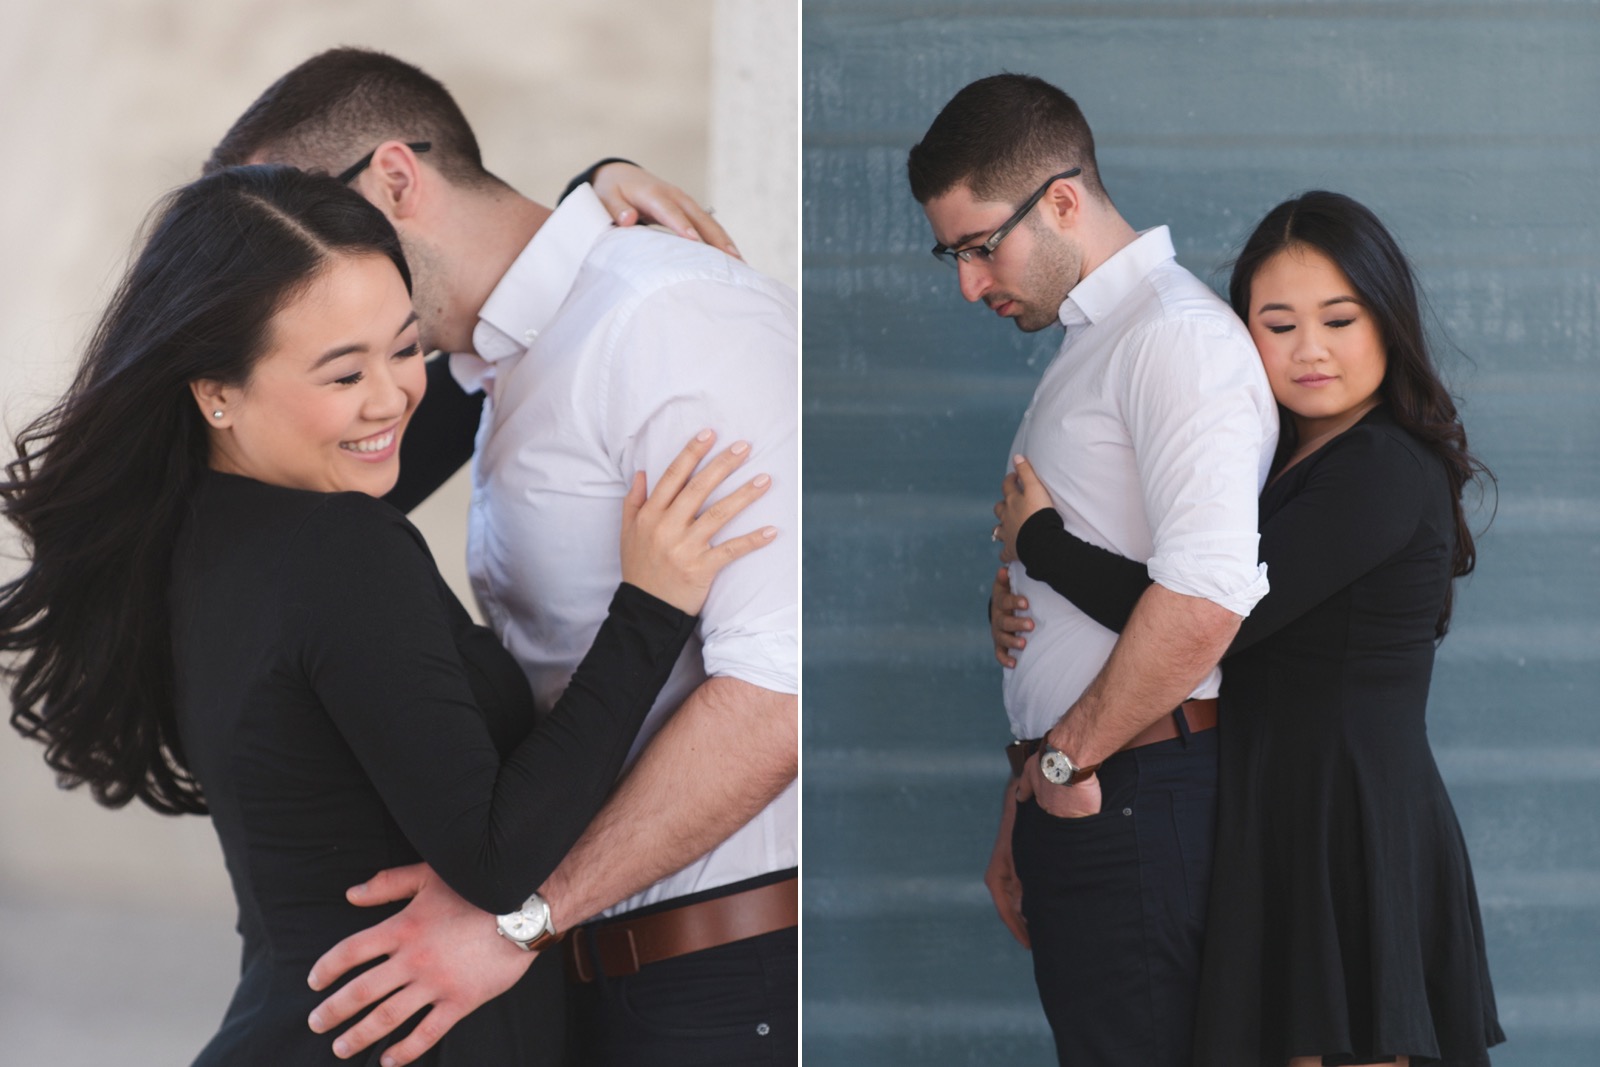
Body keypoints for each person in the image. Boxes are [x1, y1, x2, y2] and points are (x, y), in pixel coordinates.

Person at [0, 164, 774, 1065]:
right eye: (342, 371)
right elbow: (495, 857)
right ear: (216, 391)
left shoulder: (197, 521)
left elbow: (447, 391)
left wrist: (576, 214)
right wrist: (651, 608)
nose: (391, 397)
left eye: (405, 347)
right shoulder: (338, 549)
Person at [202, 48, 798, 1066]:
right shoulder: (475, 367)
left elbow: (782, 689)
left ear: (395, 178)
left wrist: (518, 915)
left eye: (312, 228)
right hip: (571, 972)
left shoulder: (669, 317)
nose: (294, 277)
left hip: (706, 977)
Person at [994, 191, 1504, 1067]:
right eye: (1278, 323)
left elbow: (1209, 613)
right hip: (1272, 810)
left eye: (1339, 319)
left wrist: (1042, 545)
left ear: (1387, 319)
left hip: (1347, 822)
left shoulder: (1382, 465)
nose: (1310, 349)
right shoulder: (1281, 459)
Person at [906, 73, 1278, 1065]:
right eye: (953, 255)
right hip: (1098, 789)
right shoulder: (1099, 341)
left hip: (1135, 793)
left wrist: (1060, 763)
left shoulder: (1173, 339)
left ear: (1062, 200)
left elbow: (1205, 598)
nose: (968, 284)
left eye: (979, 247)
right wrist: (1025, 784)